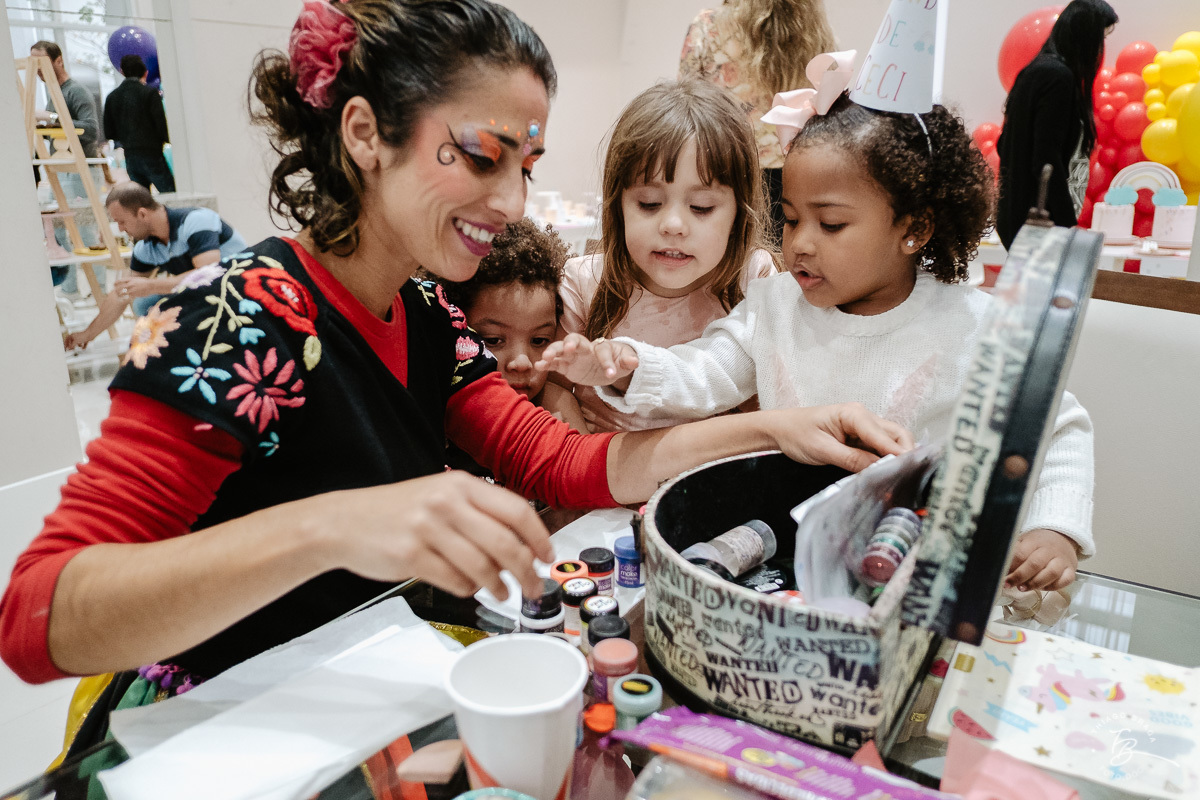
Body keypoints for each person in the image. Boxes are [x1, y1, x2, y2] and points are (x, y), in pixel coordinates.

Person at [1, 0, 910, 718]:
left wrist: (770, 428)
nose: (514, 200)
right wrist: (334, 526)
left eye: (528, 162)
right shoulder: (238, 319)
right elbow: (40, 617)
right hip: (219, 720)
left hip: (356, 691)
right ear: (365, 133)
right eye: (480, 155)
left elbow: (565, 461)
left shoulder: (429, 309)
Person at [539, 90, 1095, 593]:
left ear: (914, 229)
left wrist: (1055, 529)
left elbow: (1058, 428)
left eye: (830, 225)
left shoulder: (975, 324)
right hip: (793, 563)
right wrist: (627, 364)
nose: (800, 243)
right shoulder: (775, 306)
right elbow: (705, 369)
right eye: (790, 218)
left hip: (918, 571)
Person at [558, 79, 777, 433]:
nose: (673, 225)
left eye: (702, 207)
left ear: (739, 212)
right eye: (649, 203)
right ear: (618, 206)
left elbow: (763, 405)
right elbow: (554, 389)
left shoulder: (753, 280)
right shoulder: (584, 283)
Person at [679, 0, 836, 246]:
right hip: (794, 172)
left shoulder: (709, 25)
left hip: (727, 167)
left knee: (728, 262)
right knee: (783, 270)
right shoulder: (814, 29)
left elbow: (686, 102)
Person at [441, 217, 588, 437]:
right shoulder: (440, 404)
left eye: (539, 341)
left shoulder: (557, 406)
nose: (521, 362)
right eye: (492, 340)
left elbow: (582, 465)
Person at [63, 182, 247, 350]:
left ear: (142, 214)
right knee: (144, 303)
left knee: (149, 297)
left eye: (122, 221)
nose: (120, 229)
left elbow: (209, 275)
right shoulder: (145, 248)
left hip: (238, 288)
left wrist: (150, 285)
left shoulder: (196, 220)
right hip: (205, 295)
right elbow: (122, 294)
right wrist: (88, 334)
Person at [995, 0, 1118, 249]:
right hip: (1040, 221)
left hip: (1016, 215)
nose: (1099, 48)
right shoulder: (1058, 78)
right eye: (1099, 37)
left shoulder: (1034, 72)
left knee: (1024, 286)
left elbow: (1003, 143)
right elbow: (1046, 158)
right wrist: (1066, 221)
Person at [31, 40, 105, 295]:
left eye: (42, 63)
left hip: (79, 170)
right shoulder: (55, 93)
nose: (38, 70)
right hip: (61, 171)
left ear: (58, 60)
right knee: (61, 231)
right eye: (34, 64)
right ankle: (71, 290)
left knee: (84, 230)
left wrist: (50, 118)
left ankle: (100, 289)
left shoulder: (77, 92)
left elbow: (91, 129)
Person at [103, 54, 175, 193]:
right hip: (152, 153)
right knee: (169, 193)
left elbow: (109, 131)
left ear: (122, 72)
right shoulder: (150, 93)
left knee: (141, 198)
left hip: (130, 155)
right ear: (145, 72)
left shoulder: (112, 97)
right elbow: (160, 125)